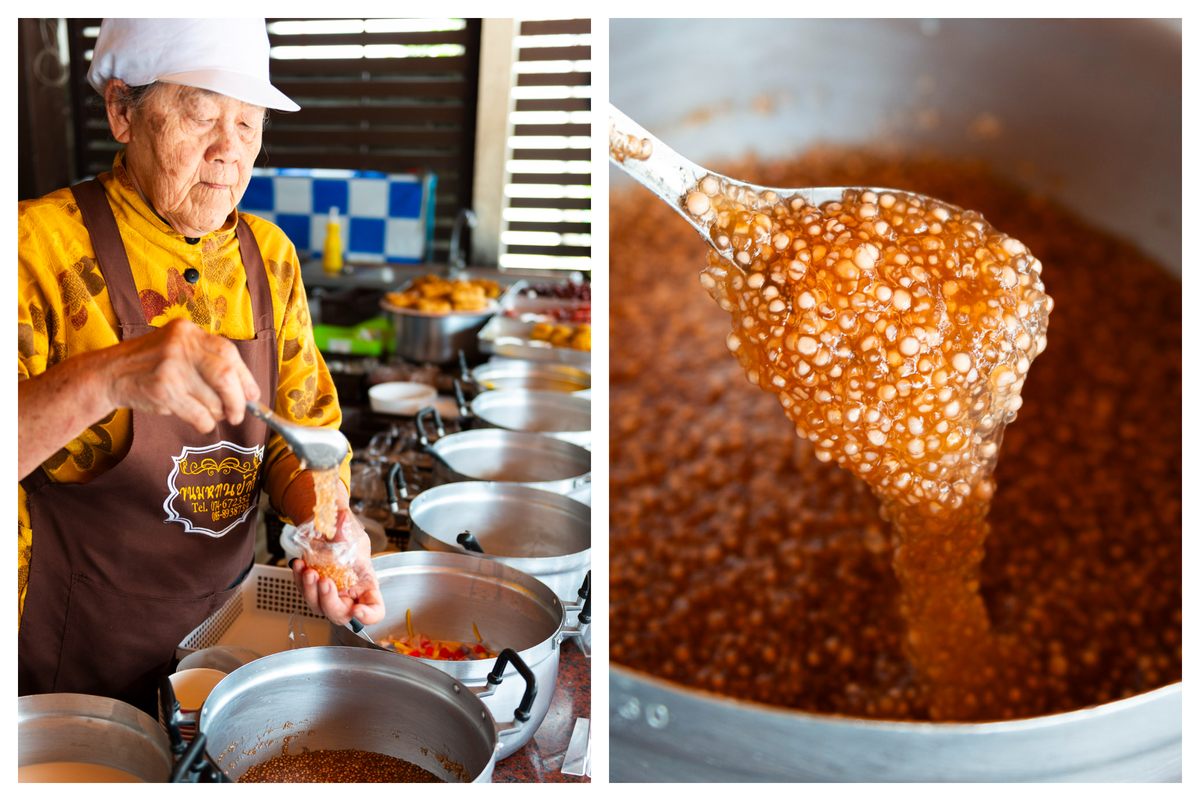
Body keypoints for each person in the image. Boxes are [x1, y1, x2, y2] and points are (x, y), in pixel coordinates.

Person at [17, 18, 383, 714]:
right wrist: (110, 376)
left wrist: (327, 531)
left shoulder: (270, 257)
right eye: (202, 113)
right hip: (68, 663)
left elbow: (300, 438)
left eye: (249, 126)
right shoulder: (36, 248)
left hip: (225, 645)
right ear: (122, 110)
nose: (229, 152)